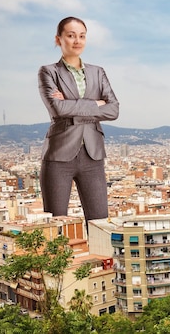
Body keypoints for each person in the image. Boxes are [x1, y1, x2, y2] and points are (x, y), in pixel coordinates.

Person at [38, 16, 119, 221]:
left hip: (93, 154)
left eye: (82, 36)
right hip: (59, 155)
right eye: (71, 35)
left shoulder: (97, 72)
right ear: (59, 40)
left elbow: (113, 110)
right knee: (56, 224)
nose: (77, 41)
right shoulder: (49, 72)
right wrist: (95, 104)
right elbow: (57, 109)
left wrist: (71, 105)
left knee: (100, 223)